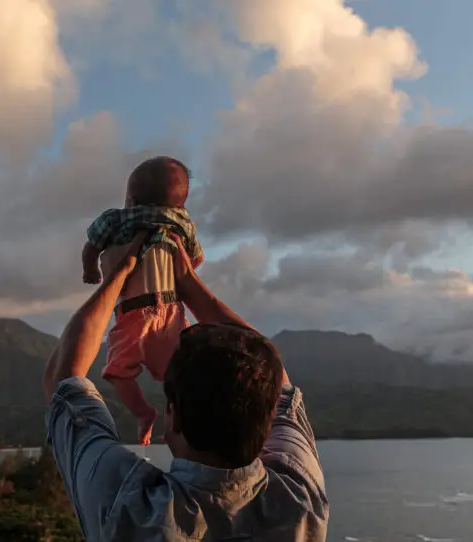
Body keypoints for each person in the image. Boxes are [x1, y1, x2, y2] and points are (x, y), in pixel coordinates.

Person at [43, 232, 329, 541]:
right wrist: (190, 284)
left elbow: (63, 378)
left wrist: (119, 274)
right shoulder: (298, 502)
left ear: (173, 417)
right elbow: (274, 370)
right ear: (266, 417)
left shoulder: (130, 507)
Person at [81, 156, 204, 446]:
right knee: (179, 375)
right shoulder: (183, 223)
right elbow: (196, 260)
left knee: (117, 372)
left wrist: (91, 270)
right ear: (180, 204)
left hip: (134, 312)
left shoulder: (115, 219)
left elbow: (91, 247)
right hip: (172, 310)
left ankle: (143, 413)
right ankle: (182, 422)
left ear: (131, 199)